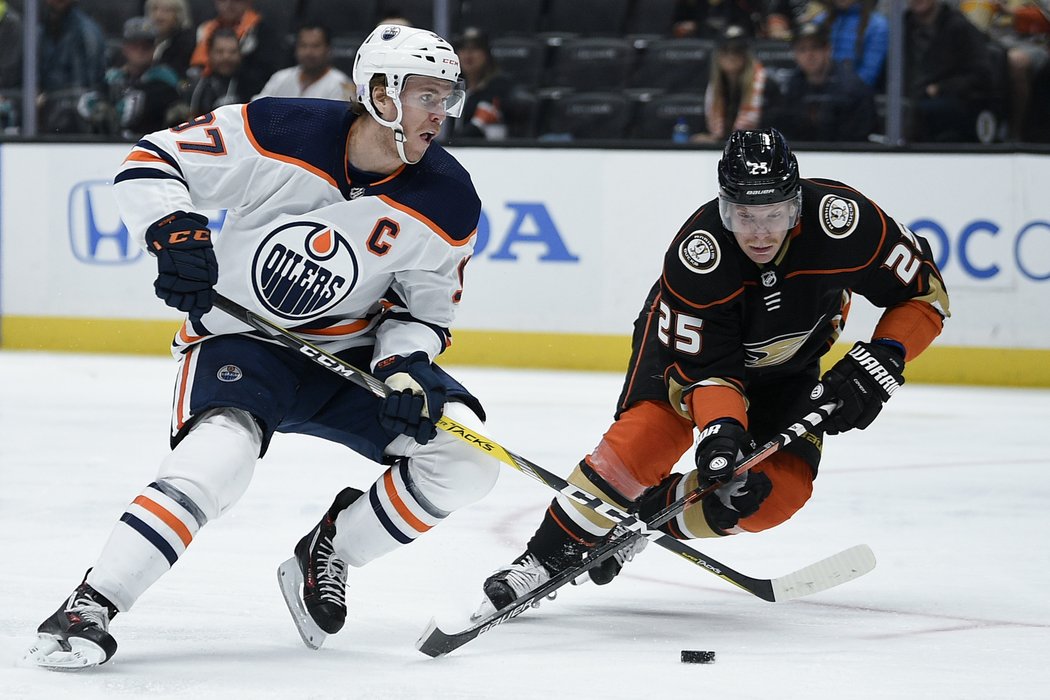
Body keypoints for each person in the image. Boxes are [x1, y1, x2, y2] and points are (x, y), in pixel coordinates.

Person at [23, 23, 500, 670]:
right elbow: (151, 160)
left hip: (349, 358)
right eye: (427, 95)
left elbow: (422, 310)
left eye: (448, 97)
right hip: (245, 340)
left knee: (468, 460)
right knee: (220, 456)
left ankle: (331, 549)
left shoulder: (449, 197)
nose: (440, 114)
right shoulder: (279, 129)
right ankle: (92, 602)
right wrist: (175, 230)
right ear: (381, 94)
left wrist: (405, 365)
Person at [475, 128, 949, 616]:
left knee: (772, 495)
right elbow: (704, 373)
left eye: (774, 215)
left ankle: (650, 515)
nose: (760, 232)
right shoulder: (698, 257)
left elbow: (924, 293)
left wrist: (884, 358)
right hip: (690, 360)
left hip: (790, 371)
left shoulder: (846, 223)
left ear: (797, 207)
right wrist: (722, 434)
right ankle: (542, 559)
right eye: (744, 216)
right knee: (642, 445)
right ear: (724, 208)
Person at [904, 0, 997, 142]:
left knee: (921, 111)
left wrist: (941, 87)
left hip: (955, 100)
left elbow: (982, 75)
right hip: (911, 95)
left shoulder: (958, 27)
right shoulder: (903, 27)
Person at [772, 21, 876, 142]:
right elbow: (786, 131)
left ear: (828, 50)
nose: (809, 55)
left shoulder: (853, 89)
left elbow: (859, 137)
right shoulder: (791, 87)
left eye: (815, 48)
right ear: (795, 54)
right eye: (802, 49)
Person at [87, 17, 183, 139]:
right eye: (134, 44)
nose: (140, 50)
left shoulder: (164, 77)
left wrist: (115, 112)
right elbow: (88, 99)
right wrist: (99, 108)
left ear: (154, 48)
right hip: (110, 144)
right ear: (125, 48)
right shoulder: (112, 76)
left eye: (146, 45)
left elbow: (137, 105)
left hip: (151, 143)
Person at [691, 25, 779, 143]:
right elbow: (703, 130)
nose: (731, 56)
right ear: (717, 55)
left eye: (737, 51)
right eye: (725, 50)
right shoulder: (709, 87)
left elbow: (775, 129)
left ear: (746, 55)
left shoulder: (766, 86)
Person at [189, 0, 287, 101]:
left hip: (247, 91)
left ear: (248, 3)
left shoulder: (263, 30)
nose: (229, 5)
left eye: (236, 1)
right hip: (208, 88)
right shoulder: (205, 29)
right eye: (223, 1)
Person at [38, 0, 108, 133]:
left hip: (77, 120)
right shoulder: (38, 30)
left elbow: (89, 89)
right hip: (44, 117)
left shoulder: (87, 32)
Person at [254, 22, 353, 100]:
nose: (308, 52)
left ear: (328, 49)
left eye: (315, 46)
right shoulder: (280, 78)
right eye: (303, 45)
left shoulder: (342, 84)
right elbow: (256, 106)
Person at [451, 27, 512, 140]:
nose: (468, 54)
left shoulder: (498, 87)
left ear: (487, 54)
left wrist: (452, 140)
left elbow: (479, 125)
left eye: (475, 48)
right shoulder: (451, 86)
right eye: (463, 48)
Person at [816, 0, 890, 88]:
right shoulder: (819, 21)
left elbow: (868, 75)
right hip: (818, 91)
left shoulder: (877, 26)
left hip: (854, 95)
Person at [187, 27, 249, 116]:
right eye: (220, 52)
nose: (226, 57)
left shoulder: (251, 84)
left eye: (232, 52)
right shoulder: (198, 88)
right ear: (210, 53)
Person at [147, 0, 197, 78]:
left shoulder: (185, 44)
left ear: (178, 15)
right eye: (155, 9)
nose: (158, 16)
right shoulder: (148, 41)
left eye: (166, 11)